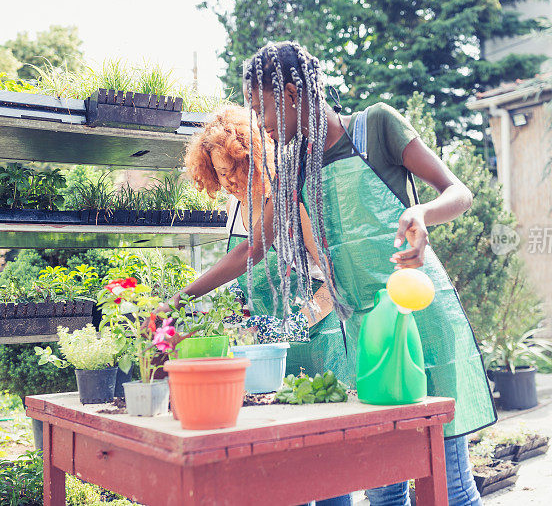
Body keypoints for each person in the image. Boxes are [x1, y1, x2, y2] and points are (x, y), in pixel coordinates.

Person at [166, 41, 496, 506]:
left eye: (264, 110)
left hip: (423, 320)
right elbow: (252, 250)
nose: (261, 125)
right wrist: (179, 298)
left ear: (293, 93)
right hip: (368, 336)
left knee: (450, 489)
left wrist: (422, 213)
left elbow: (457, 192)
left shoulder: (377, 126)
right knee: (384, 492)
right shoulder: (294, 169)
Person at [181, 105, 352, 383]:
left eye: (236, 169)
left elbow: (337, 283)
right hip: (268, 353)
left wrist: (299, 322)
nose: (229, 181)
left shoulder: (292, 205)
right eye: (221, 173)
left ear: (255, 160)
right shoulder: (233, 210)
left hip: (320, 341)